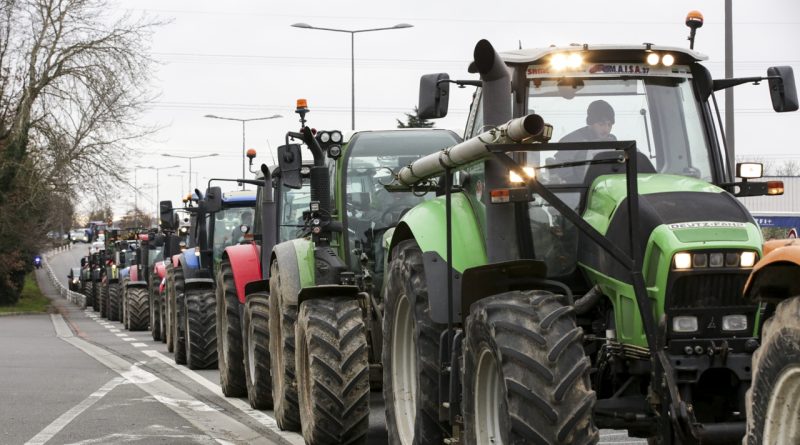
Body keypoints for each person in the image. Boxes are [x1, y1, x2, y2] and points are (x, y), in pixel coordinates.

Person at [551, 100, 618, 182]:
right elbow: (562, 168)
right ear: (591, 122)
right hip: (578, 190)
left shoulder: (612, 141)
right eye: (601, 124)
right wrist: (579, 186)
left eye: (609, 125)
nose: (606, 129)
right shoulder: (571, 140)